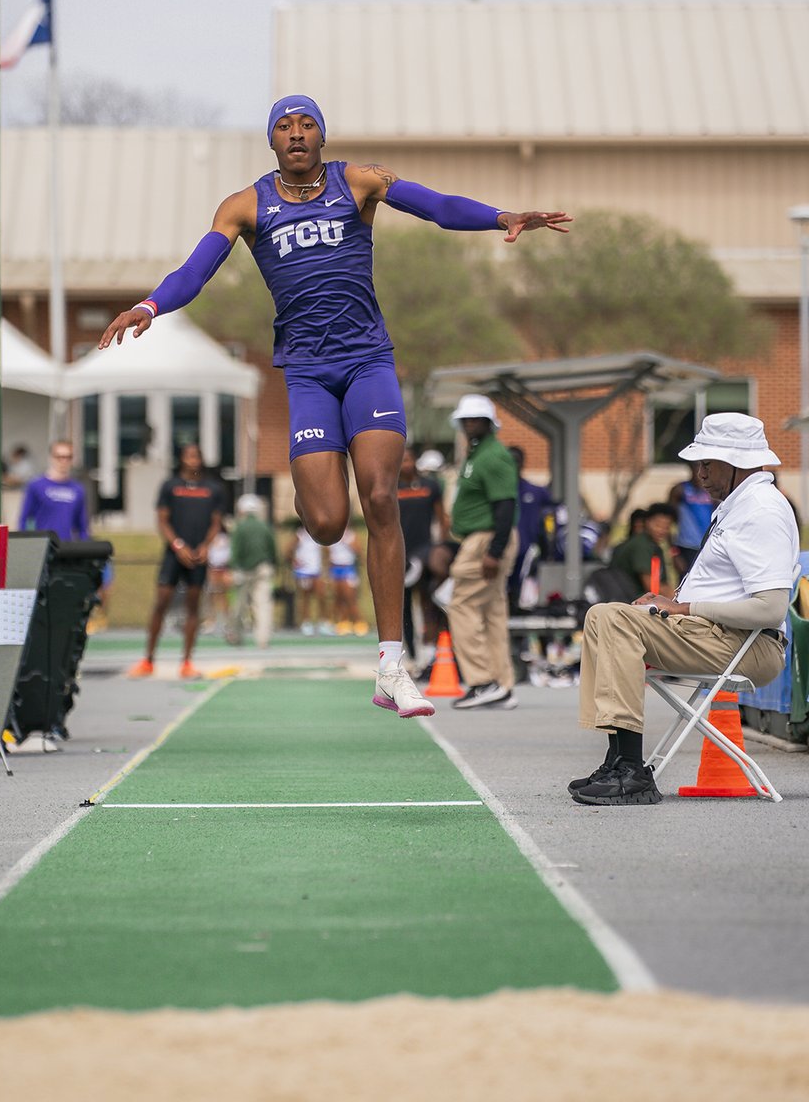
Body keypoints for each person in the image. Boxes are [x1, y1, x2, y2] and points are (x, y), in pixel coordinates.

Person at [99, 93, 570, 719]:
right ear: (272, 142)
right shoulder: (245, 205)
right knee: (323, 523)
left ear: (322, 137)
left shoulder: (359, 181)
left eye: (307, 126)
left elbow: (436, 206)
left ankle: (391, 665)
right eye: (284, 128)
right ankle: (313, 478)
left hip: (368, 363)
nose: (296, 135)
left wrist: (500, 216)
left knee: (379, 496)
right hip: (308, 374)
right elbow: (196, 269)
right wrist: (150, 305)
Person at [569, 413, 798, 807]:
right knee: (601, 615)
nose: (699, 473)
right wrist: (670, 607)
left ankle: (630, 770)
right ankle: (619, 760)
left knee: (612, 618)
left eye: (707, 463)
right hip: (716, 635)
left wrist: (681, 607)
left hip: (749, 646)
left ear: (737, 461)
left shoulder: (762, 511)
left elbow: (769, 608)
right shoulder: (739, 504)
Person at [445, 395, 521, 710]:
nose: (469, 425)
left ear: (489, 424)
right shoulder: (479, 453)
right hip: (484, 538)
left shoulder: (492, 455)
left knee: (460, 604)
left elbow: (505, 505)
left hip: (486, 539)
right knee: (491, 611)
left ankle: (481, 680)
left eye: (475, 420)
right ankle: (501, 684)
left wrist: (495, 550)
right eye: (465, 420)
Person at [129, 443, 224, 680]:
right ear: (181, 459)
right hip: (174, 555)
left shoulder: (213, 488)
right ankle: (148, 660)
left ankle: (187, 662)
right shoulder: (170, 486)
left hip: (198, 556)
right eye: (189, 455)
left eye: (197, 455)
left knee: (193, 607)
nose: (193, 460)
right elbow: (162, 521)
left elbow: (216, 523)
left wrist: (205, 546)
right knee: (161, 603)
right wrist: (177, 545)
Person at [398, 444, 450, 666]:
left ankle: (429, 650)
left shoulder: (430, 486)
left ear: (416, 462)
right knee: (403, 606)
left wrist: (442, 546)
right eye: (401, 460)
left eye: (409, 459)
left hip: (425, 551)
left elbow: (443, 518)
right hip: (400, 553)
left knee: (428, 602)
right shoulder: (391, 487)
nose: (405, 464)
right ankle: (410, 653)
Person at [507, 445, 554, 612]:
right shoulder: (498, 492)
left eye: (516, 461)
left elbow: (551, 519)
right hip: (503, 552)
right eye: (509, 461)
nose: (513, 465)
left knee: (525, 598)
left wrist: (547, 548)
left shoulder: (536, 492)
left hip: (529, 554)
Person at [227, 494, 278, 649]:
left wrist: (233, 567)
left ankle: (236, 635)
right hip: (263, 568)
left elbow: (235, 551)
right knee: (263, 605)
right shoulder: (265, 526)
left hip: (243, 570)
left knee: (239, 605)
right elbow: (273, 549)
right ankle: (263, 639)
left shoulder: (239, 527)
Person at [17, 440, 89, 541]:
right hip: (44, 546)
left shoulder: (78, 489)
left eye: (68, 457)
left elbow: (82, 526)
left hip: (68, 548)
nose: (64, 461)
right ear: (51, 457)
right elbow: (25, 519)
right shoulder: (36, 486)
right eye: (59, 457)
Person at [607, 501, 680, 602]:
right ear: (647, 522)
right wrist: (677, 600)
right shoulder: (641, 545)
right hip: (630, 601)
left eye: (666, 527)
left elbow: (662, 583)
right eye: (658, 525)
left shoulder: (654, 546)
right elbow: (651, 586)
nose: (661, 530)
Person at [668, 463, 713, 572]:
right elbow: (667, 523)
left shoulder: (711, 491)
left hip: (708, 546)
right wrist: (674, 553)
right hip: (686, 547)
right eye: (696, 469)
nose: (700, 474)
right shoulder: (680, 490)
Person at [328, 526, 368, 635]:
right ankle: (343, 623)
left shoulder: (351, 535)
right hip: (335, 568)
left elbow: (359, 551)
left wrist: (347, 542)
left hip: (347, 568)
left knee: (350, 598)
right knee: (339, 597)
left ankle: (359, 622)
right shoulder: (332, 535)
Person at [292, 526, 331, 636]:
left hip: (316, 571)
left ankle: (323, 623)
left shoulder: (317, 534)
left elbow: (326, 550)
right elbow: (288, 550)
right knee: (305, 598)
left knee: (321, 596)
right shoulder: (300, 534)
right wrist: (295, 560)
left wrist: (326, 565)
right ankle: (306, 623)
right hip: (304, 572)